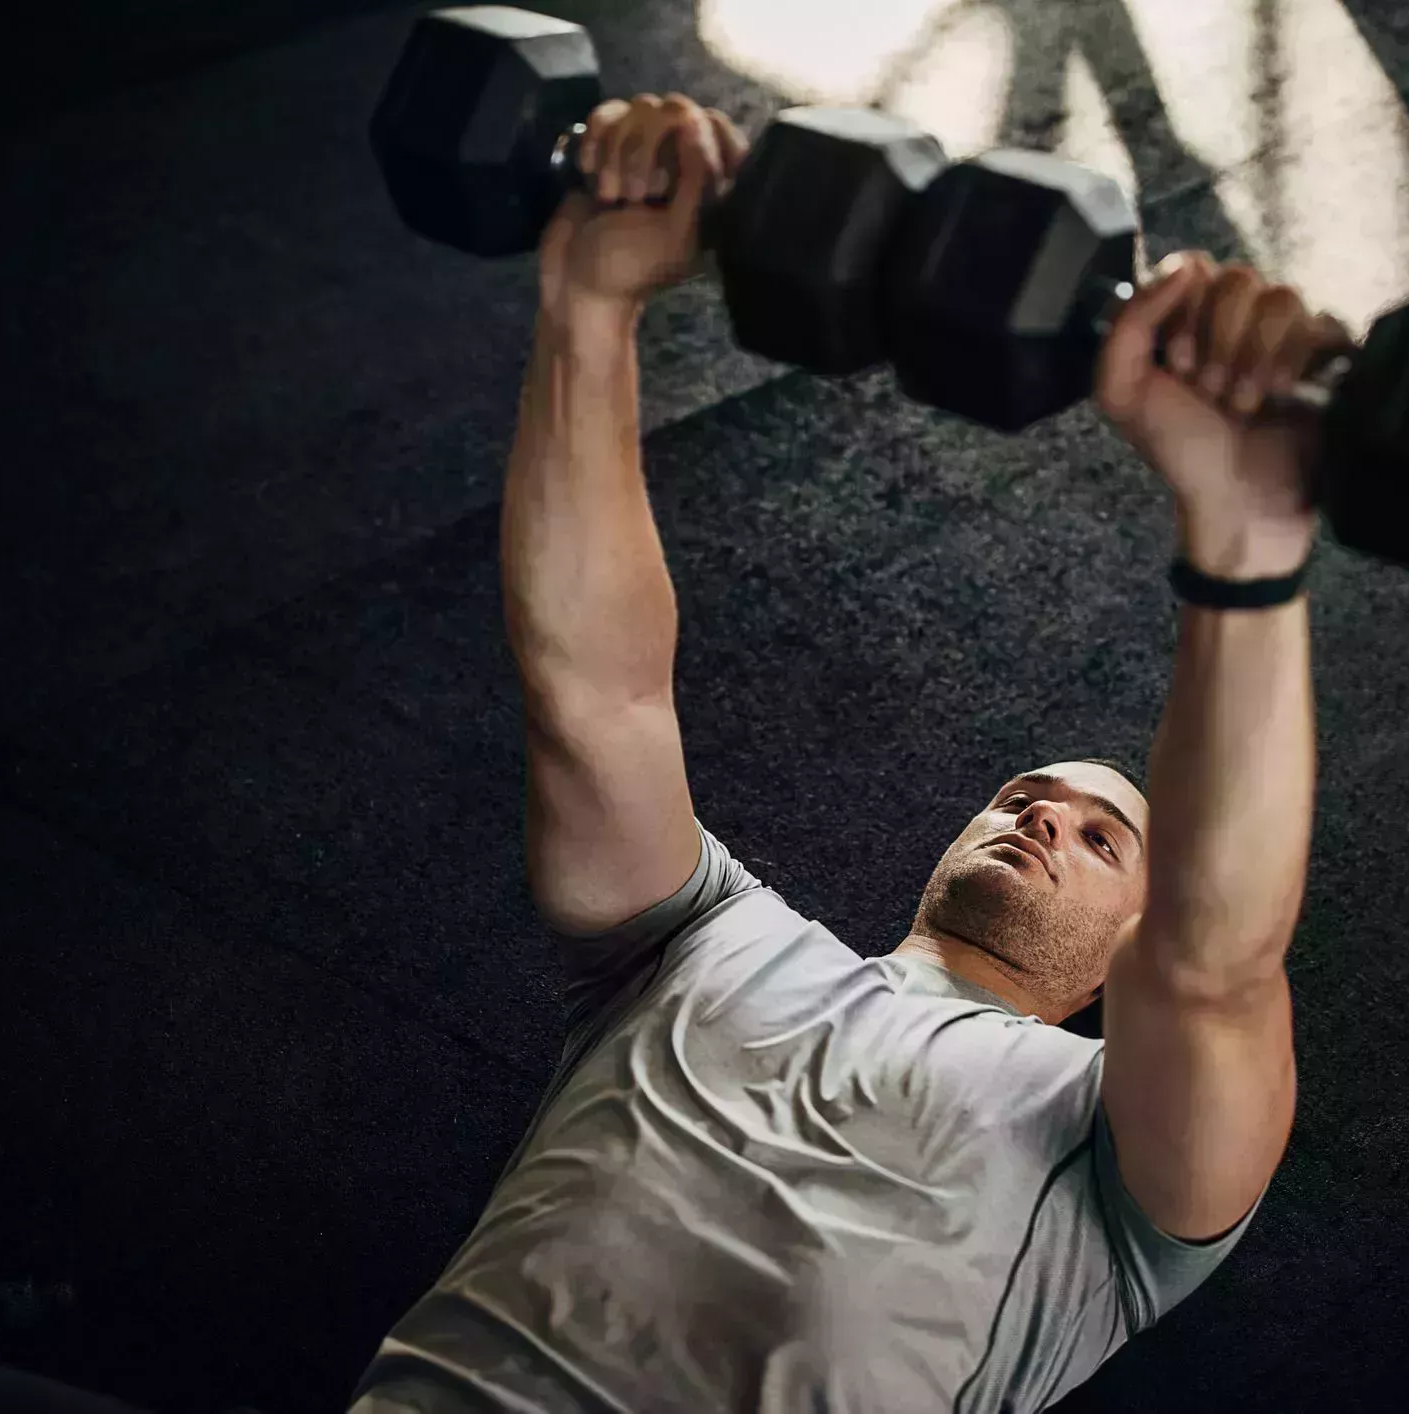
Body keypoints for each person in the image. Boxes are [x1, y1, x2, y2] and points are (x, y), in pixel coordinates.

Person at [349, 93, 1346, 1414]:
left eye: (1103, 838)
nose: (1046, 821)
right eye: (1025, 798)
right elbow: (598, 692)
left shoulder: (1112, 1173)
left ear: (1130, 946)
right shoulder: (697, 939)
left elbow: (1215, 970)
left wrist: (1243, 540)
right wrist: (589, 306)